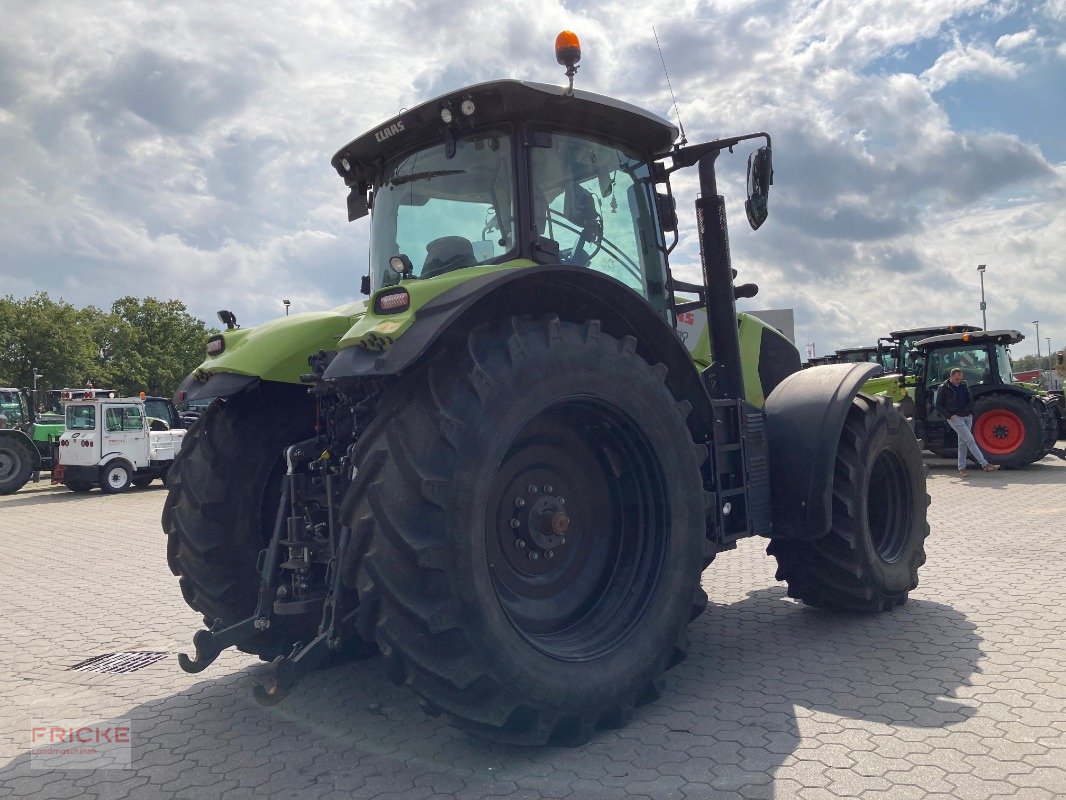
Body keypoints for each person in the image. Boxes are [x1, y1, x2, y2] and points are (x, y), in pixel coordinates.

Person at [935, 367, 1001, 476]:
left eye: (960, 379)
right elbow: (938, 405)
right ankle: (985, 464)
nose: (958, 381)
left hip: (967, 416)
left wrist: (969, 412)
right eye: (956, 379)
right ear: (951, 377)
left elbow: (970, 400)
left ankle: (962, 469)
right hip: (955, 418)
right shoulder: (943, 388)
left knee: (963, 443)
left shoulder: (964, 385)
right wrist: (950, 416)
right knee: (970, 440)